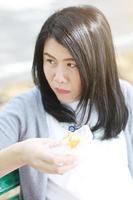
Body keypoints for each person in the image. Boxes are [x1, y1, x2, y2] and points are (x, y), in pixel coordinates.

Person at [0, 4, 133, 200]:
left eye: (71, 64)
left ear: (97, 62)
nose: (58, 78)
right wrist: (22, 153)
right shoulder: (25, 109)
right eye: (50, 61)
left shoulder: (122, 95)